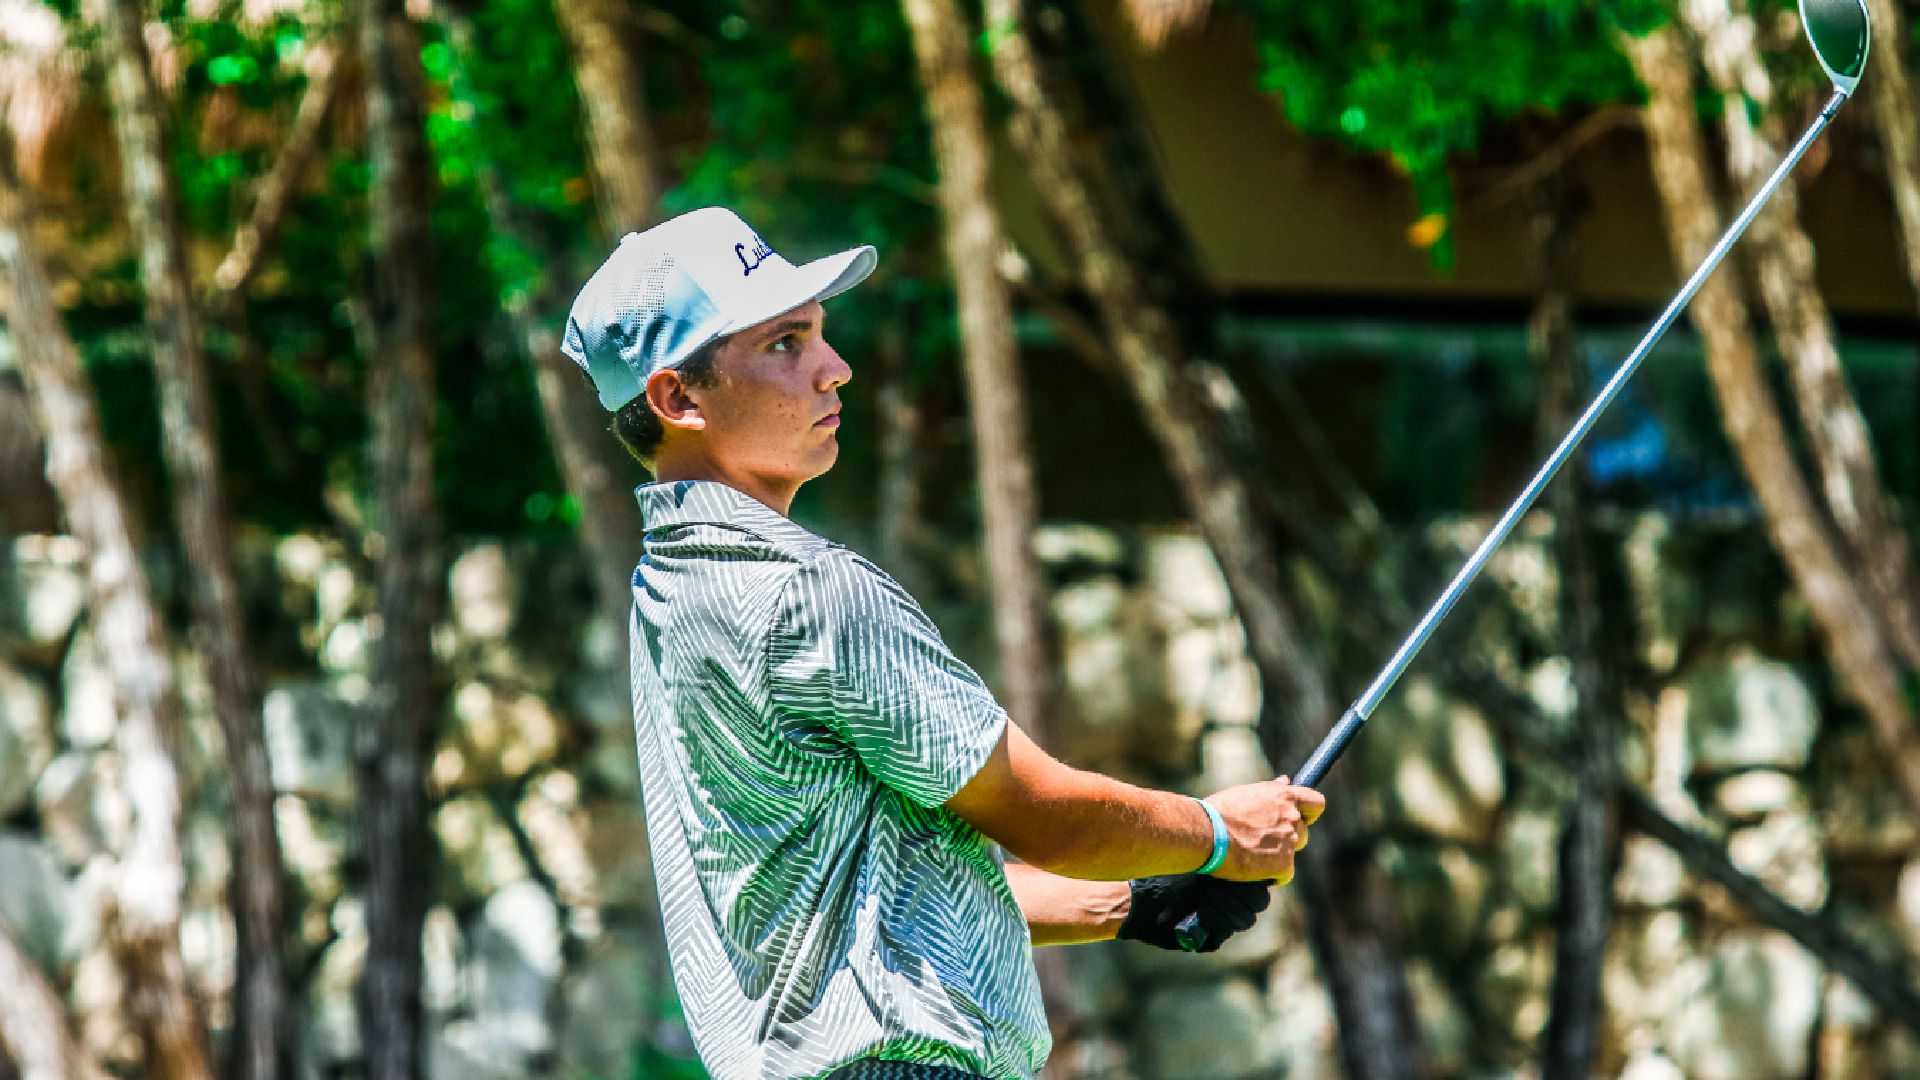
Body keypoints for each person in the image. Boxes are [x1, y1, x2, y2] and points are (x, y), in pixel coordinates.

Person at [562, 207, 1326, 1080]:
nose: (833, 368)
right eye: (784, 344)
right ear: (677, 397)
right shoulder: (810, 590)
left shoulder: (665, 594)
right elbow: (1043, 813)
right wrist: (1219, 831)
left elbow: (862, 896)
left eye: (818, 334)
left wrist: (1130, 902)